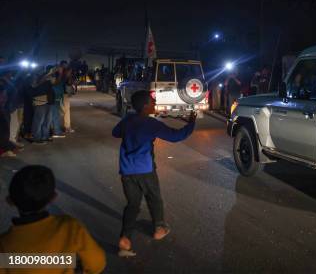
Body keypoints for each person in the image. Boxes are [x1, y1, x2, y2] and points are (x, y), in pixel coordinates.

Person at [112, 90, 196, 256]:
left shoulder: (128, 120)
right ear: (144, 106)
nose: (154, 104)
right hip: (145, 169)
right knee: (154, 198)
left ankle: (125, 238)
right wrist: (191, 123)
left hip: (127, 170)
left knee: (133, 204)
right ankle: (159, 228)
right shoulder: (151, 124)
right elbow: (176, 136)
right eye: (151, 102)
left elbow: (115, 133)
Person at [0, 165, 106, 274]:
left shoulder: (4, 245)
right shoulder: (70, 228)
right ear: (53, 198)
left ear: (10, 201)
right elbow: (97, 264)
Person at [61, 67, 76, 133]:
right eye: (69, 71)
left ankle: (66, 127)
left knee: (64, 111)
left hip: (64, 95)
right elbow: (69, 84)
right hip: (63, 95)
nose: (70, 73)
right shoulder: (64, 78)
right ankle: (67, 127)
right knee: (65, 111)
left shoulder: (62, 77)